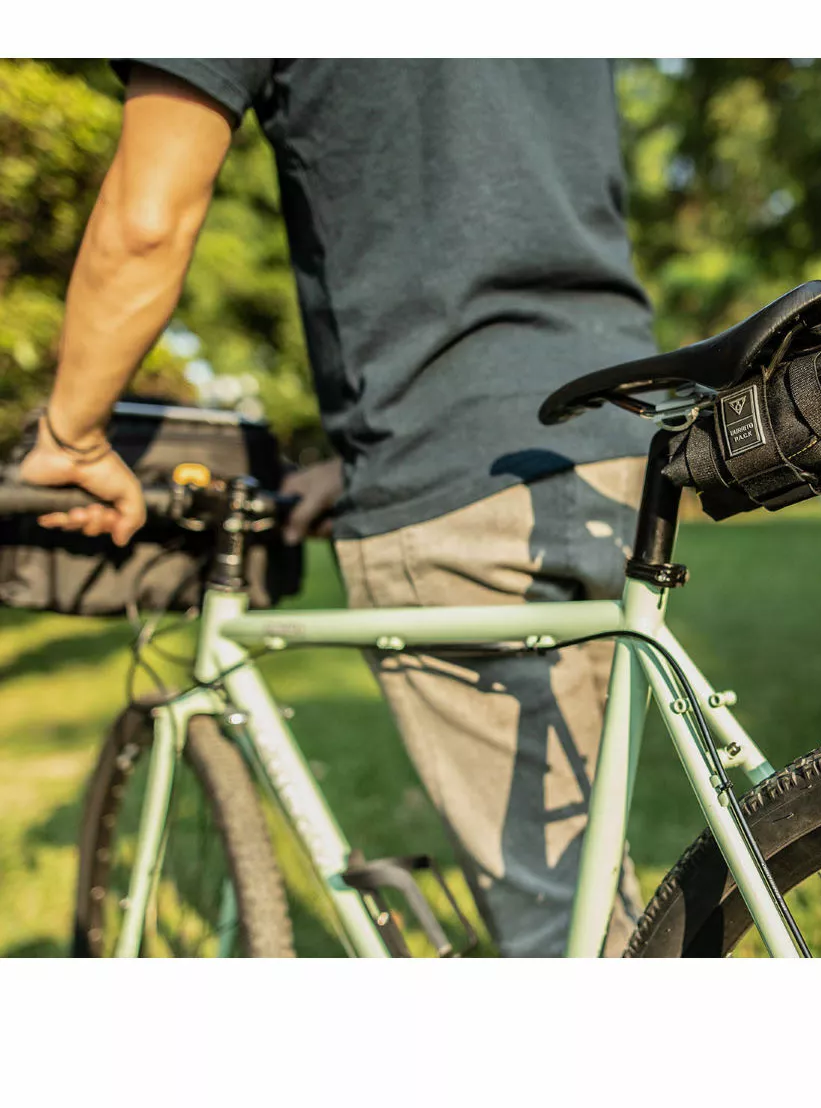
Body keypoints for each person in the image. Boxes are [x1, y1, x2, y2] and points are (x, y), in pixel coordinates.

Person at [19, 60, 657, 957]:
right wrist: (351, 461)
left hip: (451, 464)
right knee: (592, 881)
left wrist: (73, 437)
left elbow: (145, 222)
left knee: (562, 938)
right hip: (614, 432)